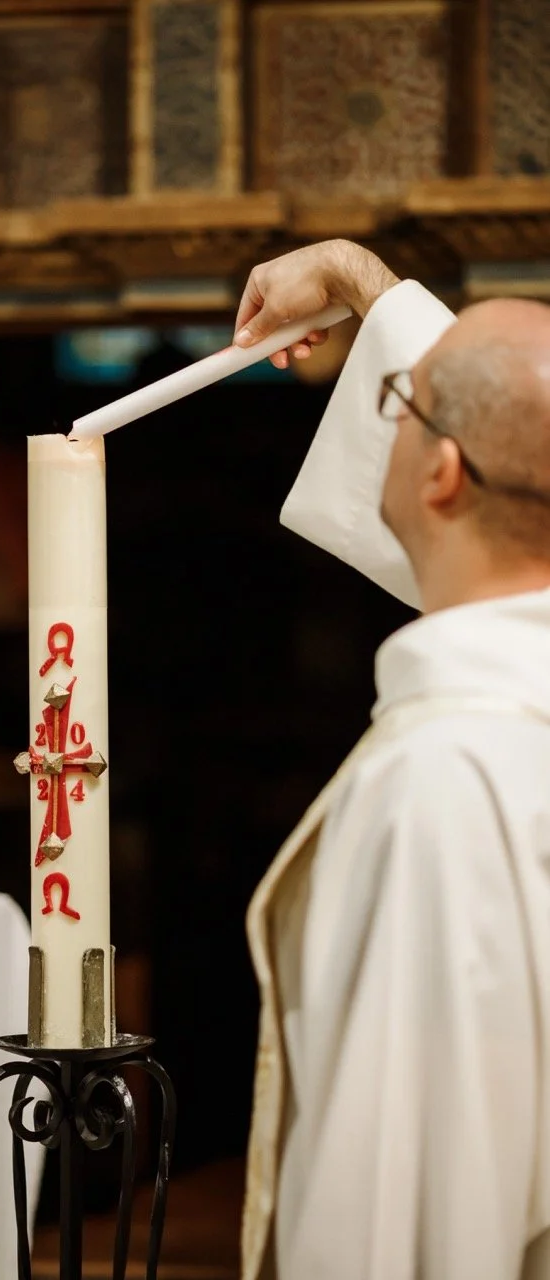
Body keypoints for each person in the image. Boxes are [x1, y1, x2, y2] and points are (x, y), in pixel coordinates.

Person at [234, 238, 550, 1280]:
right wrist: (365, 285)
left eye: (396, 409)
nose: (380, 421)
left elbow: (399, 1205)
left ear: (443, 472)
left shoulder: (443, 783)